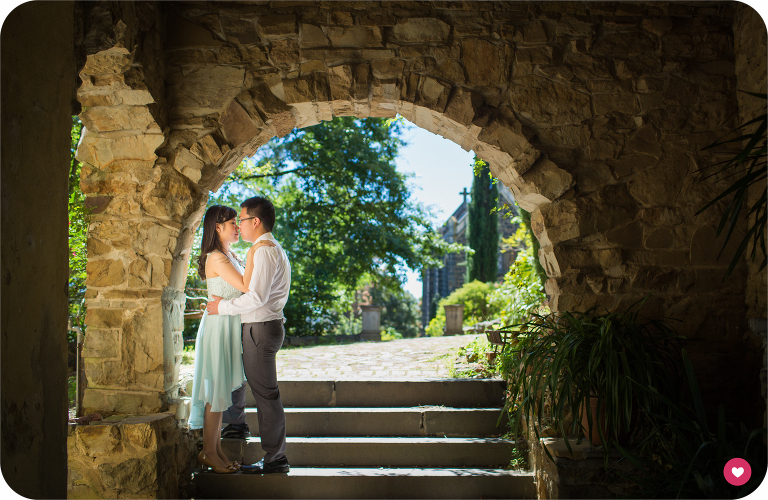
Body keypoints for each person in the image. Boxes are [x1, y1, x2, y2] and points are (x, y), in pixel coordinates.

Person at [207, 196, 292, 475]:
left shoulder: (264, 250)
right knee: (264, 392)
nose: (239, 226)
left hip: (261, 329)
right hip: (263, 328)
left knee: (266, 395)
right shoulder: (265, 247)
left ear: (255, 221)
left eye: (241, 220)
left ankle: (275, 459)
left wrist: (222, 307)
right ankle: (265, 448)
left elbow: (255, 297)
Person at [188, 205, 273, 474]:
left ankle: (215, 451)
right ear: (217, 227)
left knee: (221, 390)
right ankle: (208, 452)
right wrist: (254, 251)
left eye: (238, 222)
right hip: (218, 327)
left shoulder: (228, 254)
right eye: (232, 223)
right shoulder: (216, 257)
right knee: (216, 391)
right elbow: (247, 286)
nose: (238, 227)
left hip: (227, 323)